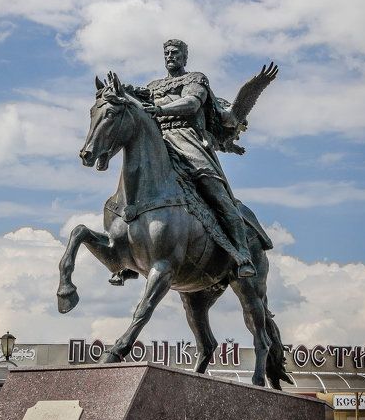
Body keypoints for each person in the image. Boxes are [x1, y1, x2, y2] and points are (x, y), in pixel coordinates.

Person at [109, 38, 256, 284]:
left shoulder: (195, 79)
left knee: (217, 194)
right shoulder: (153, 86)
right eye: (166, 52)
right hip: (159, 144)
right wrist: (120, 91)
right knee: (131, 188)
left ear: (184, 57)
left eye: (175, 52)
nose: (170, 56)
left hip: (188, 142)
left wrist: (162, 111)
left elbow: (191, 103)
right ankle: (127, 257)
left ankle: (243, 254)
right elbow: (134, 101)